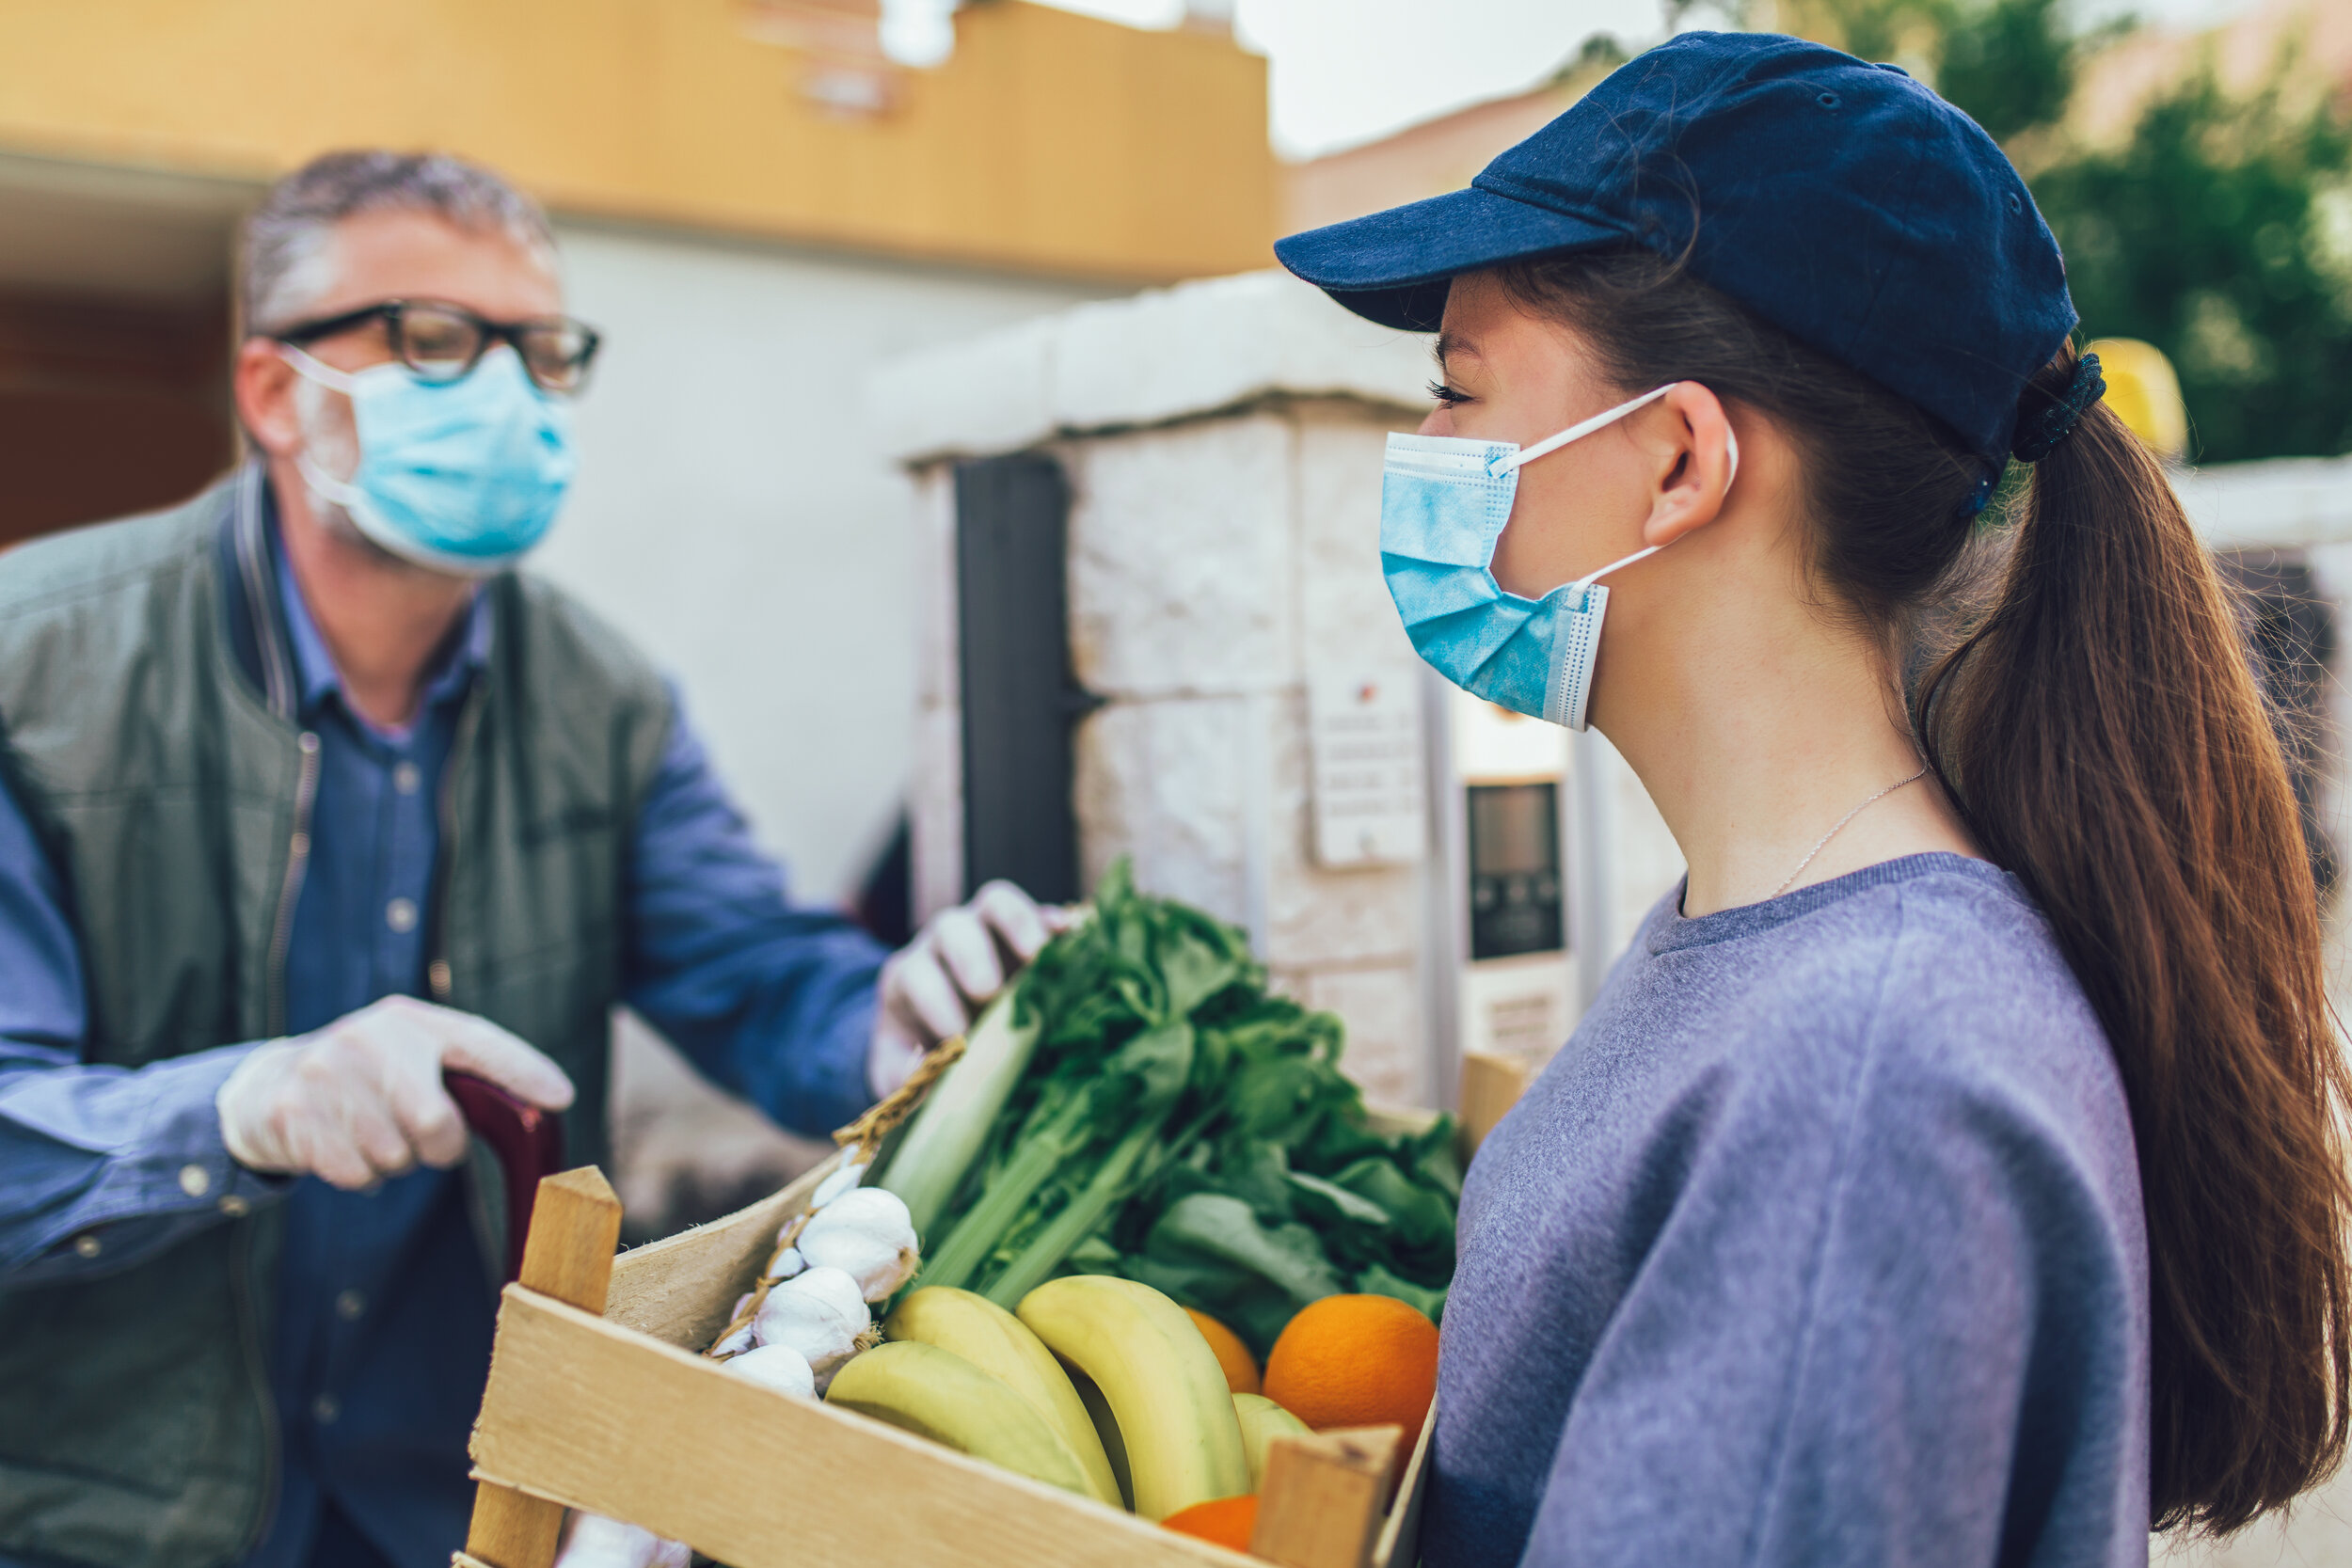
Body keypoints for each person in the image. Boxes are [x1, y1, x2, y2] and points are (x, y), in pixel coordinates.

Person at [1277, 32, 2349, 1567]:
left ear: (1680, 464)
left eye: (1458, 391)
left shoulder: (1859, 1082)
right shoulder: (1772, 950)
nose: (1427, 452)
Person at [0, 150, 1051, 1568]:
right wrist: (243, 1106)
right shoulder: (33, 667)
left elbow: (752, 972)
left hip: (468, 1489)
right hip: (106, 1509)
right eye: (434, 340)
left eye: (542, 353)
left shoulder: (601, 698)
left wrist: (895, 1019)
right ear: (273, 393)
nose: (503, 392)